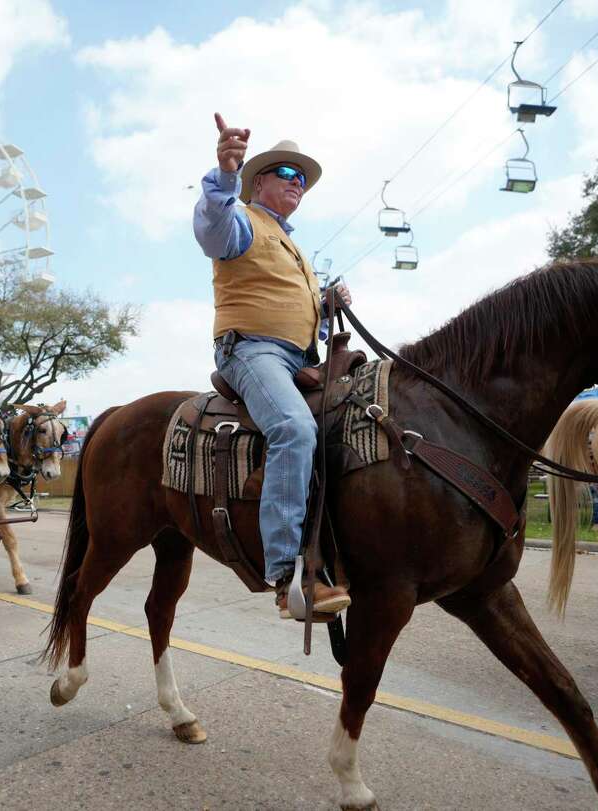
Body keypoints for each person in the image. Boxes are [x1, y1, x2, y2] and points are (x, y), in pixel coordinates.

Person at [193, 112, 352, 622]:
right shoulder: (240, 219)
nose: (297, 184)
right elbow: (211, 228)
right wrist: (224, 173)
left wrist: (326, 306)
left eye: (302, 180)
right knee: (293, 427)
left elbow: (297, 314)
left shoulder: (295, 248)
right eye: (286, 174)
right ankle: (288, 576)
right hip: (251, 352)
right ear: (257, 180)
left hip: (300, 358)